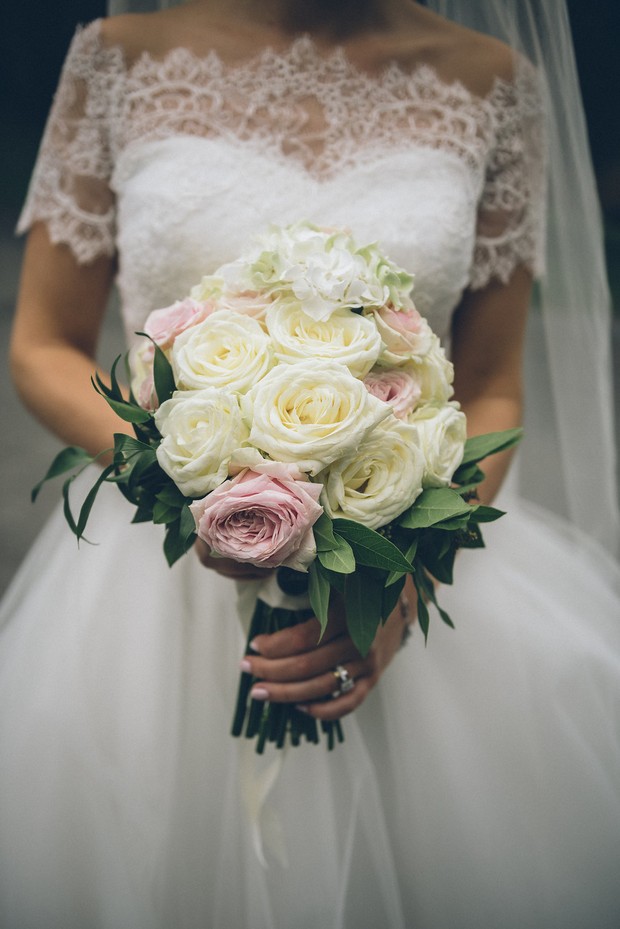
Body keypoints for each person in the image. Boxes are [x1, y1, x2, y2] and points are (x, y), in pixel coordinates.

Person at [1, 1, 619, 927]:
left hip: (393, 561)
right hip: (151, 578)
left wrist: (406, 576)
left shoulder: (495, 86)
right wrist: (191, 478)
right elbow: (43, 344)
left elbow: (491, 385)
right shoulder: (119, 60)